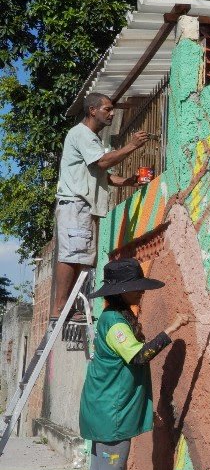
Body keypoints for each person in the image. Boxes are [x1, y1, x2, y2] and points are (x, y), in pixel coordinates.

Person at [70, 257, 190, 470]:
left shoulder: (112, 319)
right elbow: (140, 357)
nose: (140, 293)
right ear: (121, 291)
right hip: (111, 414)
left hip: (102, 409)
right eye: (135, 289)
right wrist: (170, 330)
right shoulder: (114, 323)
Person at [52, 92, 154, 326]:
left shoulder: (92, 139)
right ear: (92, 111)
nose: (111, 113)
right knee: (71, 256)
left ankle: (67, 308)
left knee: (80, 257)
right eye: (107, 109)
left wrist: (127, 182)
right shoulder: (82, 134)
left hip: (83, 207)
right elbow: (102, 162)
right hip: (76, 205)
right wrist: (131, 146)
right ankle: (60, 309)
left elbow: (102, 175)